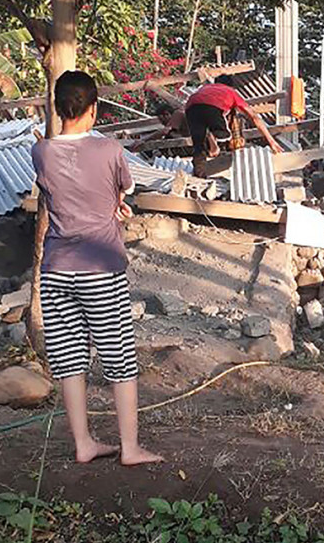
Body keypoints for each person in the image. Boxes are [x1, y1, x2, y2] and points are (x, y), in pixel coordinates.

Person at [32, 70, 163, 467]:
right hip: (100, 268)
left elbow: (61, 193)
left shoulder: (41, 151)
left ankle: (84, 444)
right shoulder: (109, 149)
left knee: (69, 360)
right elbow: (121, 187)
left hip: (56, 269)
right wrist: (115, 206)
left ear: (57, 108)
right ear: (93, 109)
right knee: (119, 358)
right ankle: (130, 448)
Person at [184, 74, 284, 177]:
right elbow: (254, 118)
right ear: (231, 85)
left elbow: (199, 101)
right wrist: (271, 141)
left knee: (198, 146)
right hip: (212, 107)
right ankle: (213, 139)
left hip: (190, 107)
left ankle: (199, 172)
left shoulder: (206, 88)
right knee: (224, 136)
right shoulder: (231, 92)